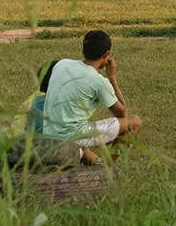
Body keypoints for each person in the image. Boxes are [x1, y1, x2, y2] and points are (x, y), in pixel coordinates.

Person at [40, 29, 142, 165]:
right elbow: (122, 113)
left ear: (83, 50)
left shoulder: (61, 64)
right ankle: (111, 167)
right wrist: (112, 78)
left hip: (49, 133)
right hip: (73, 136)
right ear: (107, 54)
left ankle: (88, 159)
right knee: (134, 121)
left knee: (93, 161)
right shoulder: (99, 81)